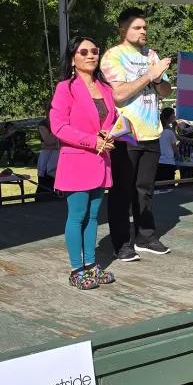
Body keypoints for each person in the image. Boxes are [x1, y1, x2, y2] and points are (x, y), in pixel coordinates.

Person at [101, 7, 173, 262]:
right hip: (126, 134)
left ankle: (145, 236)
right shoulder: (113, 56)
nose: (143, 31)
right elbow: (118, 94)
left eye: (145, 27)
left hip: (151, 132)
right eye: (137, 27)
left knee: (145, 189)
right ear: (123, 31)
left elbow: (164, 91)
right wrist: (148, 75)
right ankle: (121, 242)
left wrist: (158, 79)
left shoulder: (152, 54)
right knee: (122, 190)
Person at [50, 37, 118, 290]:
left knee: (93, 217)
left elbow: (111, 119)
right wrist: (92, 141)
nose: (91, 55)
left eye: (95, 51)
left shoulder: (106, 88)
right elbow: (59, 126)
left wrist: (109, 133)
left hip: (101, 161)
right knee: (77, 217)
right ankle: (77, 269)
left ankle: (91, 266)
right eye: (84, 52)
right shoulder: (65, 88)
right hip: (77, 161)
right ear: (72, 58)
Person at [156, 107, 179, 194]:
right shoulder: (169, 132)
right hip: (168, 162)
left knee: (158, 188)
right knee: (169, 189)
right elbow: (175, 148)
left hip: (157, 161)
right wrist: (178, 154)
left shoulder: (157, 131)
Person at [35, 109, 60, 183]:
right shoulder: (43, 124)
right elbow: (49, 141)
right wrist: (57, 125)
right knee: (45, 186)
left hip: (62, 159)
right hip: (48, 160)